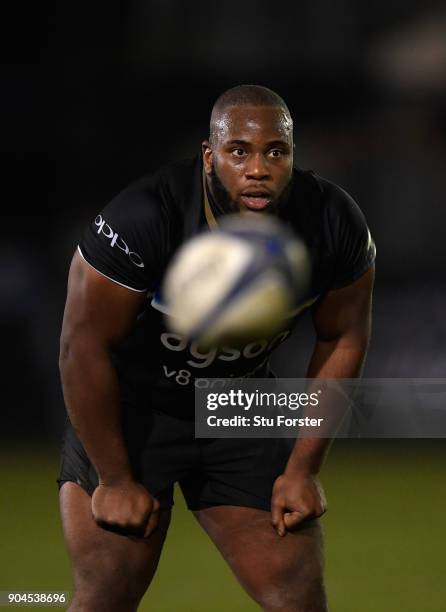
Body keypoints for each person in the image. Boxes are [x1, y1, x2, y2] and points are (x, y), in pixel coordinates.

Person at [58, 84, 375, 612]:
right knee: (106, 591)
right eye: (239, 151)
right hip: (134, 411)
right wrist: (113, 477)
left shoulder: (333, 223)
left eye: (276, 152)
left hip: (238, 402)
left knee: (297, 594)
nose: (258, 169)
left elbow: (344, 334)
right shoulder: (144, 217)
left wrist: (303, 469)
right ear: (210, 155)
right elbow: (81, 345)